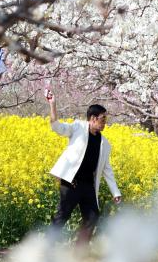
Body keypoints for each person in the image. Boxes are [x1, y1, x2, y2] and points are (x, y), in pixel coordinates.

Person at [46, 89, 121, 245]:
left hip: (88, 186)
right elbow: (57, 127)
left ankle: (80, 252)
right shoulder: (77, 127)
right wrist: (53, 104)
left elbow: (107, 169)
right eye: (103, 118)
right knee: (62, 216)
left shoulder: (105, 143)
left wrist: (115, 192)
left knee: (92, 217)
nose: (105, 122)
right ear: (93, 118)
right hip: (71, 182)